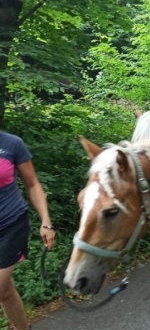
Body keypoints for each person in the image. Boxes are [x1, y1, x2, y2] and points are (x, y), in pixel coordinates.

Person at [0, 131, 55, 330]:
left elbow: (33, 184)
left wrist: (46, 221)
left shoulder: (12, 144)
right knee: (5, 292)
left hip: (11, 224)